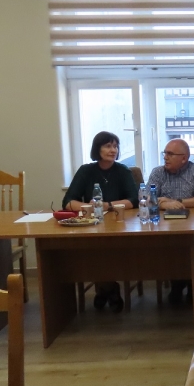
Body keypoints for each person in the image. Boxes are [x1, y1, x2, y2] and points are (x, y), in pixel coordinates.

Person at [62, 131, 139, 312]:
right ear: (98, 149)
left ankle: (105, 289)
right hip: (93, 225)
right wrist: (87, 207)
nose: (113, 150)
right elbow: (68, 202)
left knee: (108, 248)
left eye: (115, 146)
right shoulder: (86, 171)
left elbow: (134, 200)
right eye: (108, 146)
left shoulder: (123, 171)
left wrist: (107, 205)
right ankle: (109, 288)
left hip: (120, 225)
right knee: (95, 248)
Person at [146, 138, 194, 304]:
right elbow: (146, 199)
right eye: (165, 153)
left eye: (170, 154)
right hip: (164, 225)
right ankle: (178, 281)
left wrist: (177, 202)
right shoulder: (158, 172)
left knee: (193, 246)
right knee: (166, 245)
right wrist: (165, 204)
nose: (165, 157)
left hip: (193, 223)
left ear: (184, 158)